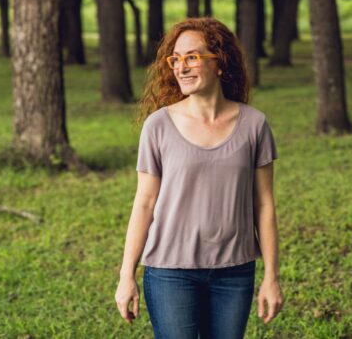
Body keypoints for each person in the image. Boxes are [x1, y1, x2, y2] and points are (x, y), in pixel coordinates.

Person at [115, 17, 284, 339]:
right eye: (176, 59)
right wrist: (127, 275)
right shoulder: (158, 125)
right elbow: (144, 203)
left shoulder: (254, 125)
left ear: (219, 62)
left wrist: (272, 277)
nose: (181, 66)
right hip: (169, 273)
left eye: (192, 56)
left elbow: (264, 205)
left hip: (235, 272)